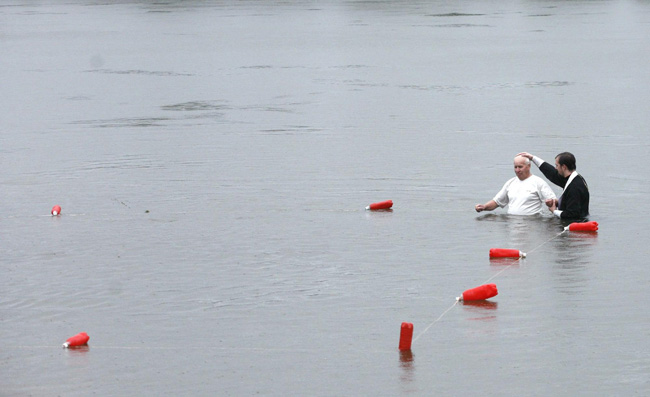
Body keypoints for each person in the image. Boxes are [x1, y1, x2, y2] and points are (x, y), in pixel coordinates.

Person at [517, 151, 589, 220]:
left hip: (576, 226)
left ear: (564, 167)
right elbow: (552, 173)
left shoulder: (574, 187)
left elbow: (572, 215)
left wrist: (554, 211)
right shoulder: (574, 178)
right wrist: (532, 158)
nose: (556, 168)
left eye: (557, 165)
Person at [475, 155, 556, 215]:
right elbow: (497, 202)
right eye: (515, 167)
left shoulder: (538, 182)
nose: (517, 170)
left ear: (528, 166)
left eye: (520, 167)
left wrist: (550, 203)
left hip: (532, 222)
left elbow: (553, 201)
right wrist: (484, 207)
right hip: (512, 222)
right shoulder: (510, 183)